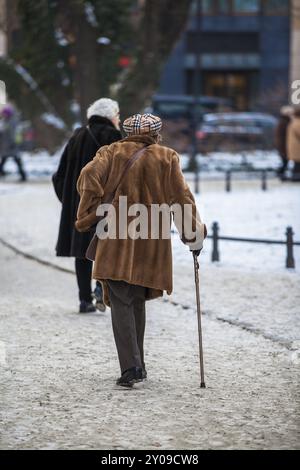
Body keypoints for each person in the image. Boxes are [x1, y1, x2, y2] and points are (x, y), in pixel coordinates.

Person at [75, 113, 206, 387]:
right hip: (151, 241)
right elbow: (182, 200)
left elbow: (88, 175)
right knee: (134, 299)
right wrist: (193, 236)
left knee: (121, 300)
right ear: (157, 134)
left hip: (116, 238)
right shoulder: (167, 157)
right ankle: (138, 364)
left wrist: (89, 212)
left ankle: (131, 367)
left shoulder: (111, 152)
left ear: (127, 132)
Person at [53, 98, 122, 313]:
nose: (118, 120)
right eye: (118, 115)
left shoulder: (77, 136)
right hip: (105, 205)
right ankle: (101, 288)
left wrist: (70, 201)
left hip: (79, 206)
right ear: (111, 116)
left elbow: (59, 175)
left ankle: (84, 299)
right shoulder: (113, 137)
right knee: (105, 248)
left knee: (82, 252)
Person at [0, 105, 27, 182]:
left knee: (17, 161)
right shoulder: (4, 122)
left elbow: (15, 134)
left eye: (4, 113)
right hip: (5, 146)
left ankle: (23, 176)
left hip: (12, 146)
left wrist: (14, 143)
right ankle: (22, 175)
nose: (2, 115)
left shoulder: (12, 123)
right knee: (4, 161)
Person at [275, 106, 293, 180]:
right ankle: (280, 174)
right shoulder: (285, 122)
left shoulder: (283, 121)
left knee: (285, 161)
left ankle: (281, 174)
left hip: (282, 144)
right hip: (284, 145)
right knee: (285, 161)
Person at [287, 107, 300, 182]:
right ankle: (295, 178)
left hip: (294, 147)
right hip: (297, 147)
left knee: (297, 164)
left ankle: (295, 177)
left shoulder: (293, 122)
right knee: (297, 164)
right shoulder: (298, 122)